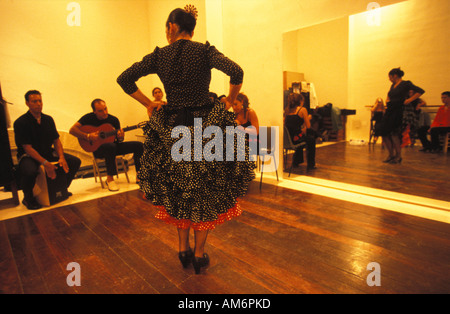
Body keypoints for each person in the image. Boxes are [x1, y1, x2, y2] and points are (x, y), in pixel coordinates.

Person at [116, 6, 255, 274]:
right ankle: (199, 254)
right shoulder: (204, 51)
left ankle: (182, 250)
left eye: (165, 28)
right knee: (204, 190)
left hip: (173, 129)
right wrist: (227, 101)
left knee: (180, 189)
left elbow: (124, 79)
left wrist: (149, 103)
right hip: (206, 128)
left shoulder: (160, 56)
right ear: (190, 29)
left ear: (171, 27)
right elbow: (236, 72)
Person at [13, 90, 81, 210]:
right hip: (28, 155)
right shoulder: (21, 122)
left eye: (40, 101)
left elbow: (56, 140)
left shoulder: (48, 119)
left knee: (74, 161)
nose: (38, 104)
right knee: (30, 171)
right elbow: (27, 148)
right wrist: (46, 163)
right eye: (34, 101)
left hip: (47, 152)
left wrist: (61, 157)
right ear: (27, 103)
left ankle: (62, 188)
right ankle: (28, 198)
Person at [69, 99, 143, 191]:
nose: (104, 112)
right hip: (98, 149)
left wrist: (121, 137)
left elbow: (118, 141)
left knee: (139, 145)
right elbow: (72, 130)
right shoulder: (88, 118)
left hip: (114, 147)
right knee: (110, 146)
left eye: (105, 108)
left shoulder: (113, 119)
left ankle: (140, 176)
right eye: (100, 111)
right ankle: (110, 179)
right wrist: (87, 136)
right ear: (94, 111)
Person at [378, 68, 424, 164]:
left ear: (395, 75)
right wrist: (387, 100)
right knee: (384, 132)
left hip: (398, 110)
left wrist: (409, 100)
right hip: (390, 110)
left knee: (394, 134)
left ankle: (398, 156)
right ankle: (391, 154)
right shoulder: (393, 85)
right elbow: (389, 95)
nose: (389, 79)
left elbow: (420, 91)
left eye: (390, 77)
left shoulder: (406, 84)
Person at [284, 93, 316, 170]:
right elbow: (308, 126)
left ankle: (296, 161)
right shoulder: (302, 110)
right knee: (311, 139)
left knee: (304, 136)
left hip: (289, 139)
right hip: (297, 138)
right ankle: (311, 165)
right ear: (300, 101)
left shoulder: (287, 110)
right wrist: (308, 118)